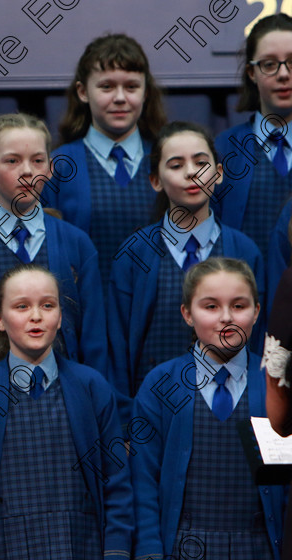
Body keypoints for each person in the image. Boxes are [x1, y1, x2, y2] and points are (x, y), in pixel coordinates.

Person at [0, 264, 131, 559]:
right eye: (22, 306)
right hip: (4, 546)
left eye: (47, 305)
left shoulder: (91, 387)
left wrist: (116, 551)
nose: (36, 316)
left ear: (61, 316)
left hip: (80, 545)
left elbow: (116, 482)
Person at [108, 122, 264, 420]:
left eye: (201, 162)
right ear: (155, 180)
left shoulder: (244, 250)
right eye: (176, 165)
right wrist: (126, 420)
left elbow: (259, 340)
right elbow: (117, 345)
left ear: (218, 174)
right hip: (151, 412)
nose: (192, 172)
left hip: (233, 406)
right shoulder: (135, 253)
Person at [132, 257, 283, 560]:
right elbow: (144, 480)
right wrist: (150, 550)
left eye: (239, 306)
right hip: (182, 544)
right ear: (187, 313)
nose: (225, 317)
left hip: (259, 546)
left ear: (256, 312)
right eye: (210, 306)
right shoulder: (161, 384)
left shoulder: (277, 383)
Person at [0, 113, 106, 385]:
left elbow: (94, 339)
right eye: (12, 160)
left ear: (50, 169)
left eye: (37, 160)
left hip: (63, 399)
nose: (27, 170)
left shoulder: (77, 244)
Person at [48, 33, 167, 290]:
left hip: (156, 315)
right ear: (83, 91)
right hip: (84, 317)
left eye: (132, 86)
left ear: (146, 92)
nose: (120, 98)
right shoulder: (57, 167)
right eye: (107, 86)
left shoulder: (168, 162)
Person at [215, 14, 292, 258]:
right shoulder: (222, 149)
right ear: (251, 72)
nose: (283, 74)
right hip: (242, 292)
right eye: (269, 64)